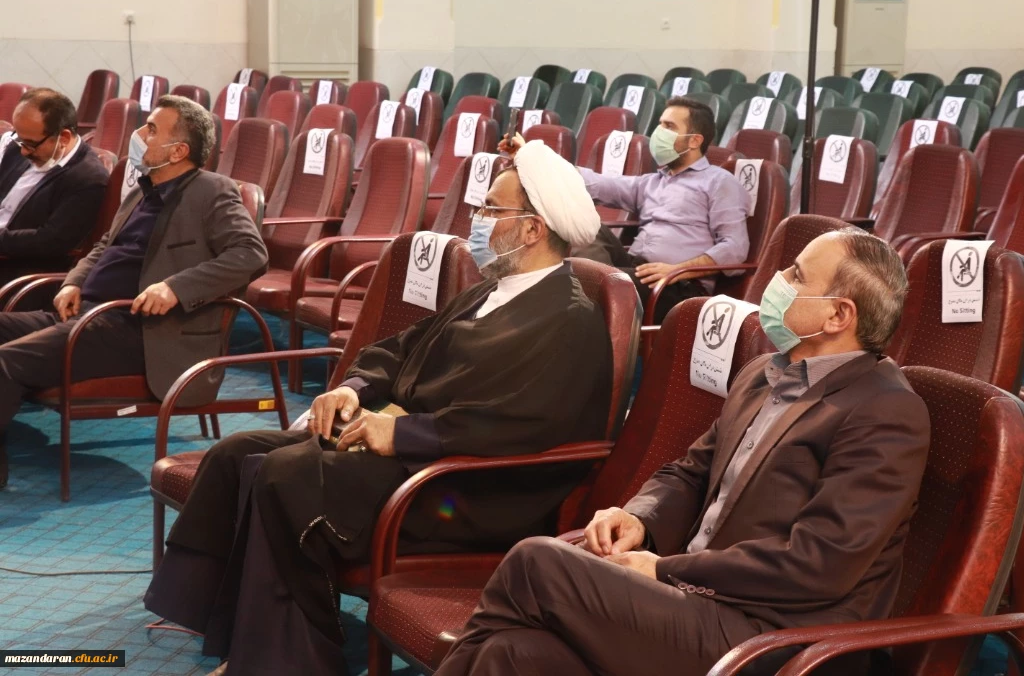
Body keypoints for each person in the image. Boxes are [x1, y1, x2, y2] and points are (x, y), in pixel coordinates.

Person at [144, 140, 615, 676]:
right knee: (238, 451)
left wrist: (401, 435)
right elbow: (401, 347)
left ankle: (290, 660)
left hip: (468, 486)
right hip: (416, 454)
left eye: (490, 209)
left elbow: (524, 424)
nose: (477, 221)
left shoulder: (569, 319)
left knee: (286, 475)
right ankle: (236, 632)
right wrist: (356, 388)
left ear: (532, 229)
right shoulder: (491, 291)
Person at [436, 228, 932, 676]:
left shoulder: (885, 411)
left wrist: (661, 569)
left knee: (535, 562)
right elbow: (692, 472)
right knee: (512, 654)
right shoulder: (762, 374)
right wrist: (639, 519)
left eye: (797, 275)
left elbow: (816, 565)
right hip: (698, 608)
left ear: (838, 314)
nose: (777, 278)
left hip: (776, 639)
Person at [0, 95, 268, 488]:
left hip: (139, 330)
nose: (139, 134)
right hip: (89, 314)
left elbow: (250, 254)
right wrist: (74, 280)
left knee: (6, 362)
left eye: (152, 129)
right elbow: (103, 246)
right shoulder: (142, 191)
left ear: (178, 151)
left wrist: (175, 287)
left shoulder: (212, 191)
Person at [503, 96, 752, 323]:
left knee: (584, 285)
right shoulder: (652, 182)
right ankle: (587, 294)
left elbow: (735, 247)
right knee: (590, 228)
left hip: (677, 285)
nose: (659, 133)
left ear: (695, 140)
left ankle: (583, 301)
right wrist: (530, 157)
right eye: (660, 124)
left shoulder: (719, 182)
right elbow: (594, 183)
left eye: (669, 126)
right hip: (636, 270)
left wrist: (677, 269)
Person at [0, 88, 108, 283]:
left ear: (63, 138)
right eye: (20, 139)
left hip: (19, 271)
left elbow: (50, 241)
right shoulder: (19, 148)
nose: (23, 151)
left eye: (31, 144)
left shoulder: (88, 178)